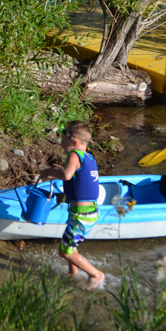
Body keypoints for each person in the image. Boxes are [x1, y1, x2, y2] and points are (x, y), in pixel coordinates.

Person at [41, 120, 105, 289]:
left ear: (75, 142)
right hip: (87, 211)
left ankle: (95, 274)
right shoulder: (89, 157)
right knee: (71, 244)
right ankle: (73, 274)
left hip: (81, 214)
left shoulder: (74, 155)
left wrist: (49, 172)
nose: (61, 143)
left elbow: (67, 175)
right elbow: (80, 182)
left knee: (64, 251)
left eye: (63, 140)